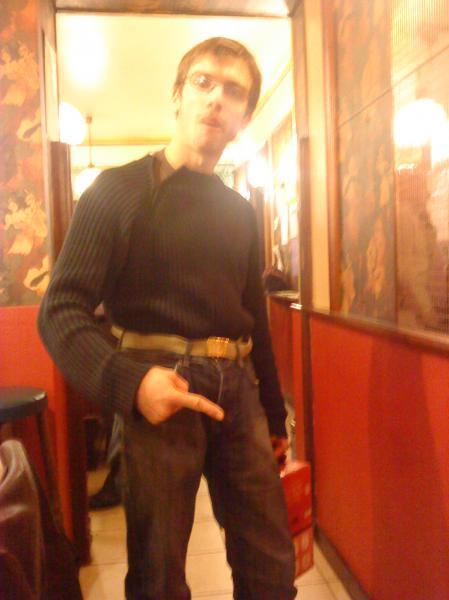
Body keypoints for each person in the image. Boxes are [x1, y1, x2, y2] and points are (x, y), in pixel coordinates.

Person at [38, 37, 296, 600]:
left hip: (238, 391)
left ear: (244, 118)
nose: (216, 98)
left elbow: (255, 319)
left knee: (272, 566)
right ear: (177, 96)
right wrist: (132, 385)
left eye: (234, 91)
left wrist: (275, 416)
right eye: (203, 82)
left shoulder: (241, 212)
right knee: (158, 578)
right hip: (157, 385)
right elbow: (59, 311)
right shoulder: (116, 191)